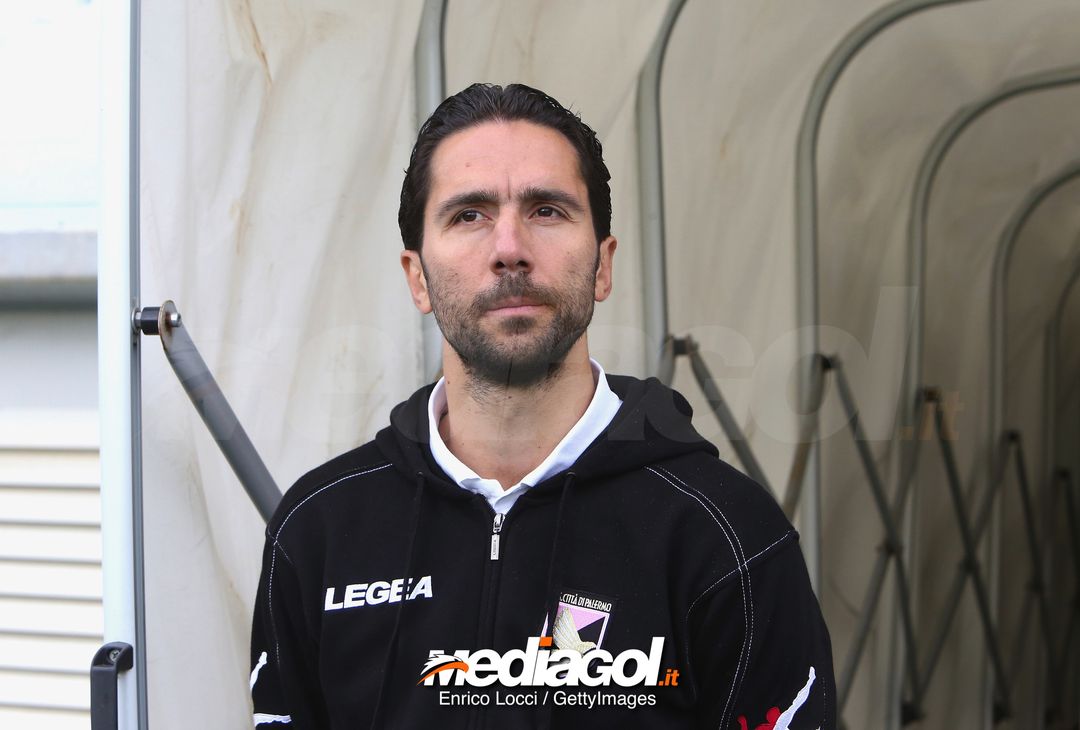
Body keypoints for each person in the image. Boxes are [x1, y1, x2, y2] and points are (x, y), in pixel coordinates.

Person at [250, 83, 835, 730]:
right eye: (468, 214)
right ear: (417, 277)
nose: (509, 248)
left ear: (603, 266)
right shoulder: (319, 531)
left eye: (547, 210)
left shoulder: (727, 535)